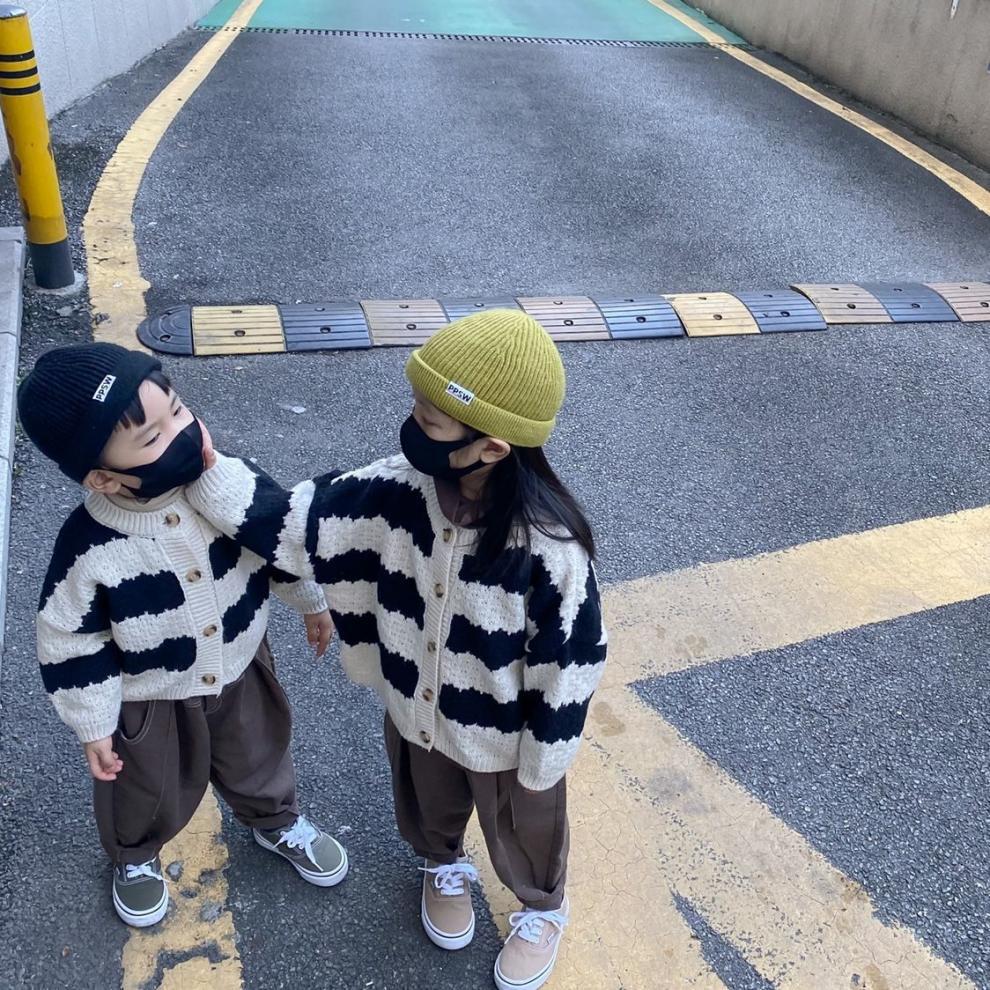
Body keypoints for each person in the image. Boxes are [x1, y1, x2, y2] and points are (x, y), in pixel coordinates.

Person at [188, 309, 607, 990]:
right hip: (417, 707)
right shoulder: (392, 491)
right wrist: (207, 470)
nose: (412, 425)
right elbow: (296, 523)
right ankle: (442, 862)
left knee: (526, 824)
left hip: (506, 737)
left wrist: (544, 757)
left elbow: (571, 663)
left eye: (431, 421)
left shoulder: (549, 549)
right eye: (416, 405)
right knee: (426, 796)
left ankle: (542, 905)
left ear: (492, 448)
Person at [17, 343, 348, 929]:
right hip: (149, 696)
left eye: (178, 409)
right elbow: (70, 639)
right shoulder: (90, 546)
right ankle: (135, 852)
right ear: (103, 477)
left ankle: (274, 819)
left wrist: (311, 601)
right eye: (152, 438)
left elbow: (279, 539)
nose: (184, 434)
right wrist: (94, 723)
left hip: (241, 662)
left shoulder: (230, 485)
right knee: (144, 784)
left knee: (259, 750)